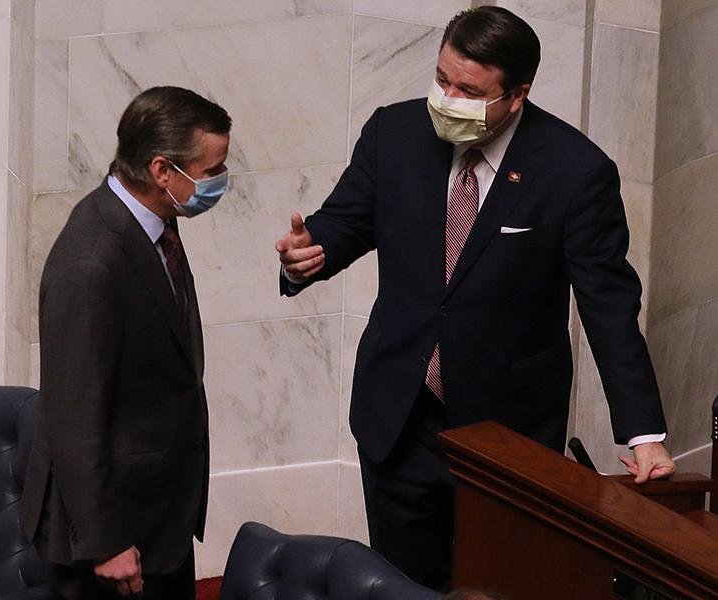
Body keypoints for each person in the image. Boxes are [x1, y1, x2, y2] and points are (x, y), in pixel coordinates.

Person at [274, 5, 675, 592]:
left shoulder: (575, 171)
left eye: (468, 90)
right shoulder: (393, 133)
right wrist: (308, 255)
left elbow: (608, 306)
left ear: (517, 95)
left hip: (505, 427)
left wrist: (643, 433)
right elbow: (344, 222)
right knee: (403, 583)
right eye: (442, 80)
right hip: (400, 412)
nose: (448, 99)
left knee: (499, 581)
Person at [21, 86, 232, 600]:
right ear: (163, 171)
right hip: (114, 537)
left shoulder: (152, 222)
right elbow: (73, 416)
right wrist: (107, 541)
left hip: (159, 517)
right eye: (211, 171)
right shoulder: (91, 263)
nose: (220, 183)